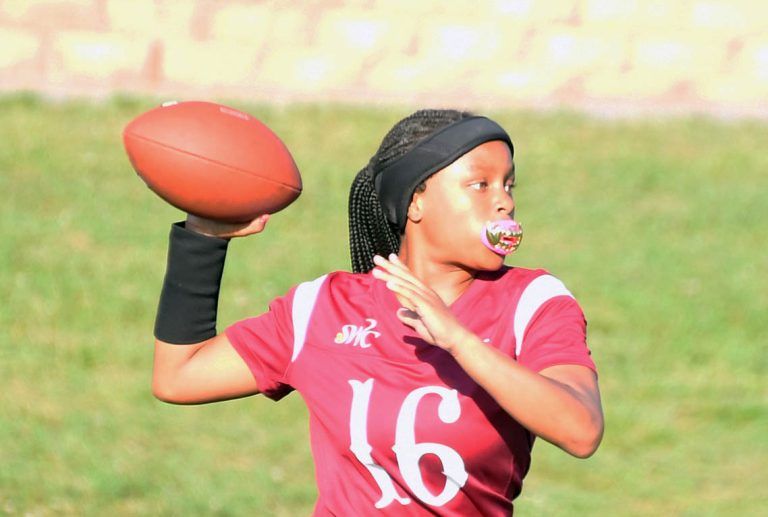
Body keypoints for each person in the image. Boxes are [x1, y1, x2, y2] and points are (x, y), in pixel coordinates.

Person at [151, 109, 604, 515]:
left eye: (508, 184)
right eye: (480, 184)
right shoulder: (322, 308)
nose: (504, 201)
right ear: (415, 201)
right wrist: (203, 239)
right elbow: (179, 377)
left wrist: (459, 340)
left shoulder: (533, 301)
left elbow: (580, 430)